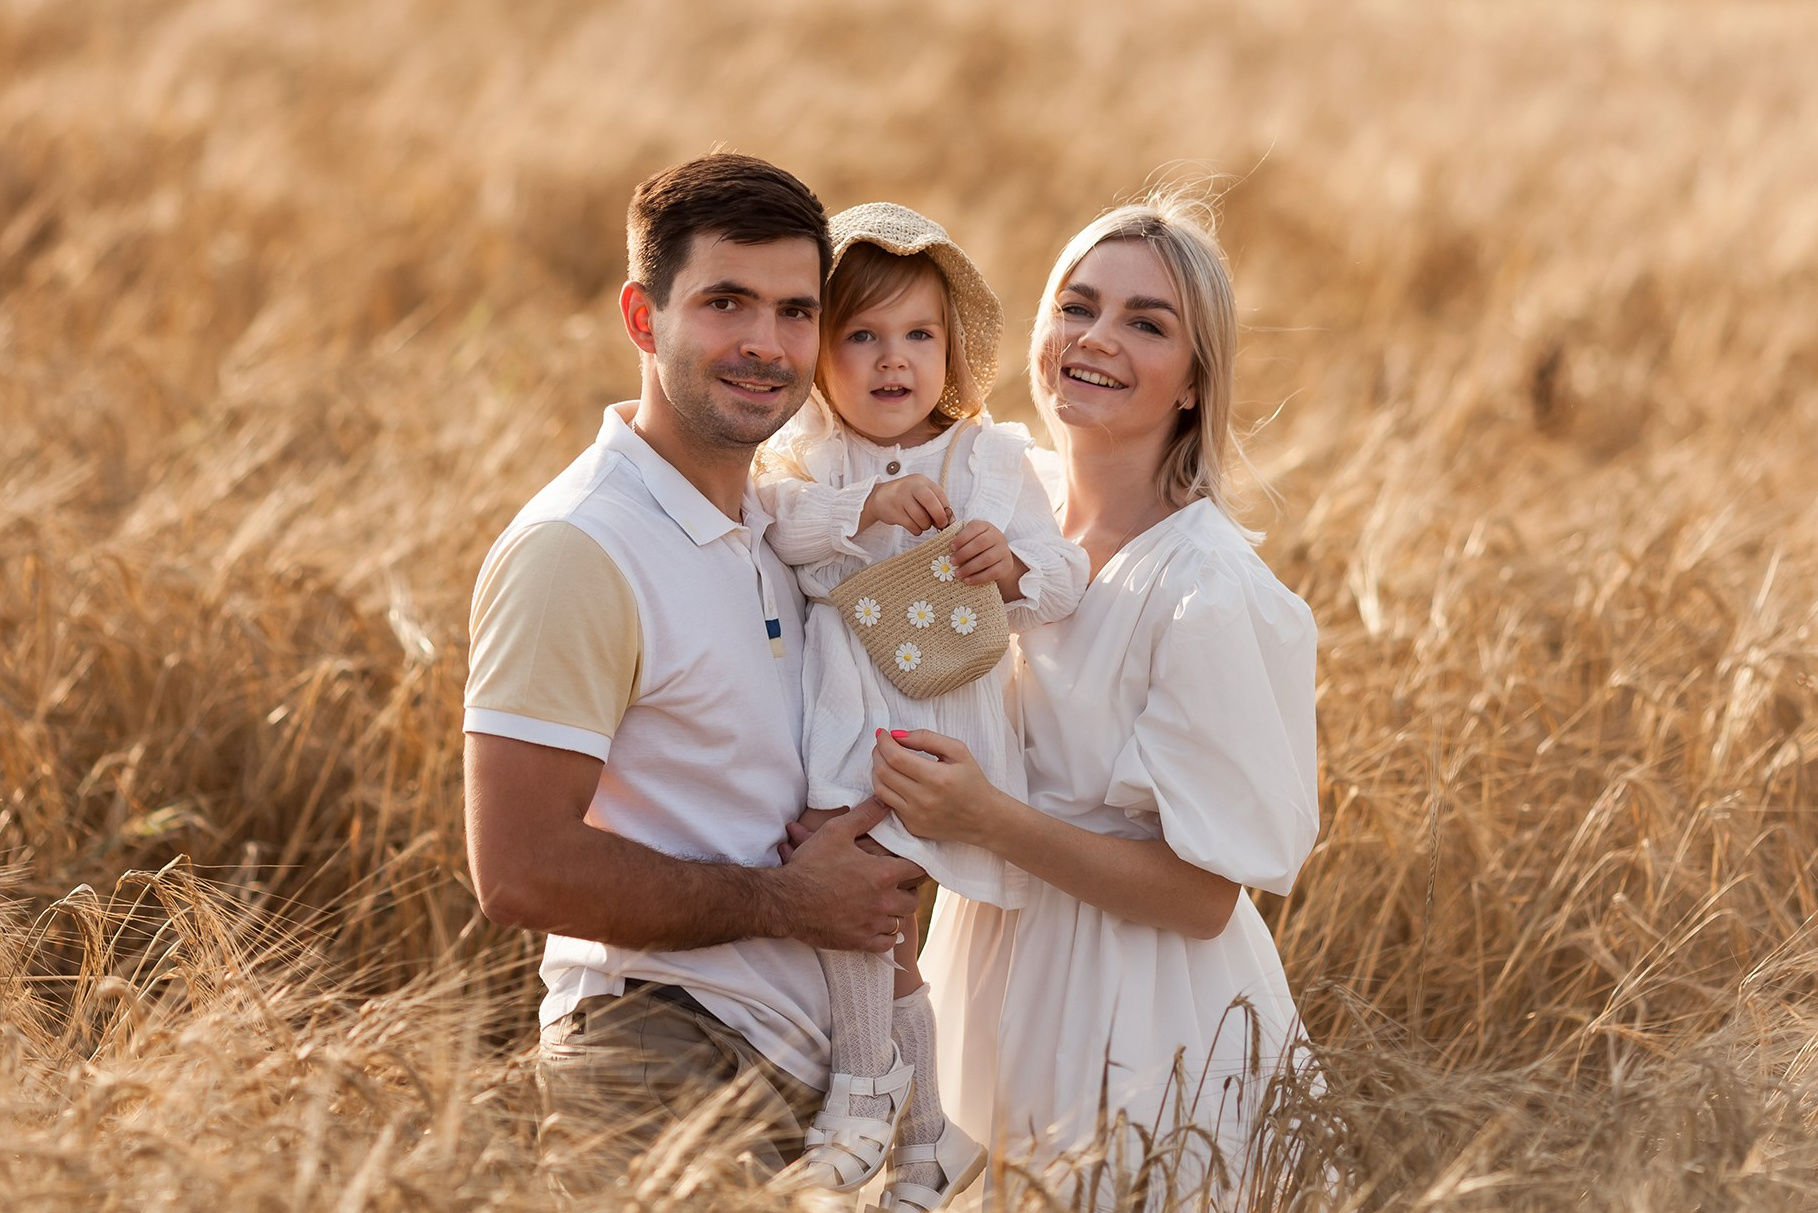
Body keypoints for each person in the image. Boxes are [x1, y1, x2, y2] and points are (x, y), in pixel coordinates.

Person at [461, 153, 926, 1188]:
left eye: (796, 311)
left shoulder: (786, 530)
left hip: (817, 1072)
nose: (766, 345)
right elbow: (519, 867)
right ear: (642, 317)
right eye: (726, 302)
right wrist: (787, 905)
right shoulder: (581, 547)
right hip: (655, 1056)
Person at [865, 193, 1321, 1206]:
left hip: (1141, 1010)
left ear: (1197, 382)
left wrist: (985, 818)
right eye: (1077, 306)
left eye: (1147, 323)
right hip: (983, 970)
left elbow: (1204, 899)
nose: (1096, 339)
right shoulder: (991, 495)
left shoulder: (1211, 592)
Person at [756, 203, 1088, 1208]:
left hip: (939, 740)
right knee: (878, 929)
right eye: (861, 336)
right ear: (819, 356)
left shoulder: (988, 461)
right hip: (843, 732)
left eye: (917, 336)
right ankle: (928, 1143)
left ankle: (866, 1093)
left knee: (864, 911)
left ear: (951, 352)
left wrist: (1014, 561)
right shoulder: (806, 463)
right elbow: (781, 532)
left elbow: (1069, 577)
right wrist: (860, 507)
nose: (891, 361)